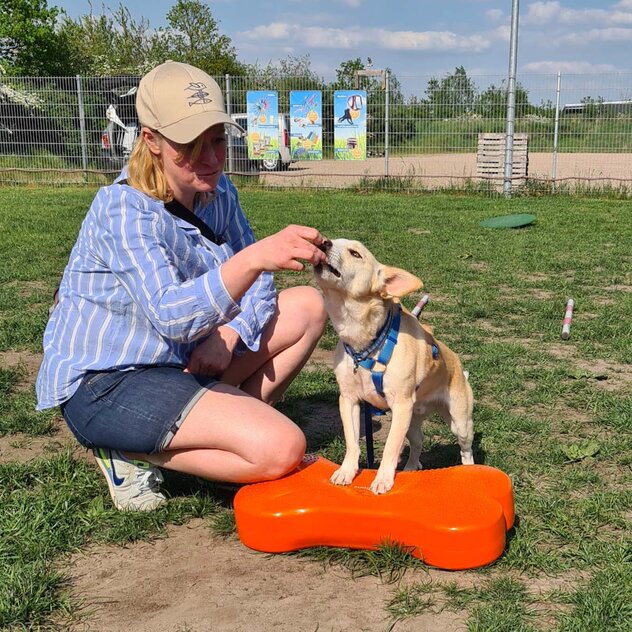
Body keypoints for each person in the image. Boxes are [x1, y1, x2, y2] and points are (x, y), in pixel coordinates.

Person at [36, 61, 328, 511]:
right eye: (190, 145)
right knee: (283, 449)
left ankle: (227, 433)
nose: (210, 158)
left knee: (308, 305)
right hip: (111, 381)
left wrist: (229, 337)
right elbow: (173, 314)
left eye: (217, 140)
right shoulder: (123, 209)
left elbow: (260, 288)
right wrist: (252, 258)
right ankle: (128, 449)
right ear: (151, 140)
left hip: (184, 358)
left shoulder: (217, 190)